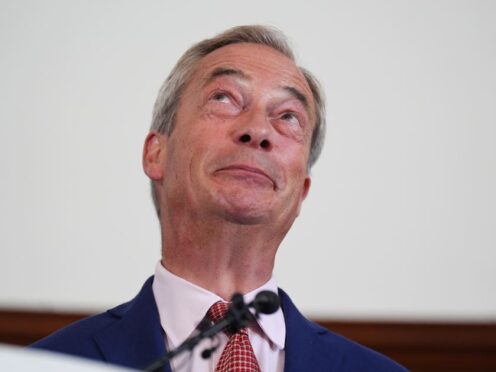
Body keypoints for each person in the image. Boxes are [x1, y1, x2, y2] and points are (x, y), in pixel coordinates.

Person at [31, 25, 406, 371]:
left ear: (301, 191)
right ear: (156, 154)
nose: (258, 130)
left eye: (288, 117)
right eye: (225, 98)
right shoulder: (49, 365)